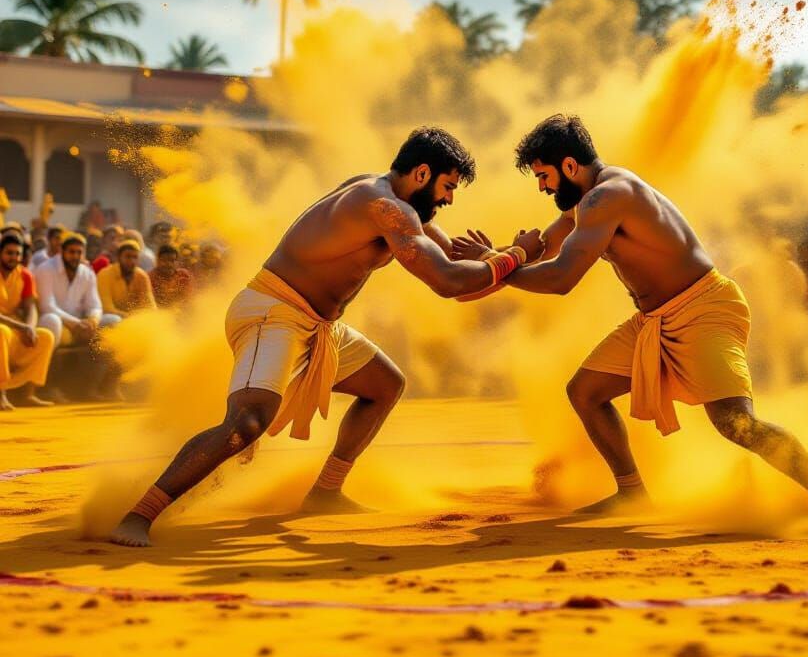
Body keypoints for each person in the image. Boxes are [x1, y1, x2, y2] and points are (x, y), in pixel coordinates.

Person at [110, 127, 523, 548]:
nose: (449, 199)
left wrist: (498, 261)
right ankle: (137, 515)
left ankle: (325, 493)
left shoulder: (391, 201)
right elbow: (447, 281)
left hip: (315, 325)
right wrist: (516, 258)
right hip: (273, 312)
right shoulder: (384, 206)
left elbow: (453, 262)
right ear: (421, 173)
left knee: (384, 385)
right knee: (246, 423)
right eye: (448, 187)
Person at [454, 114, 808, 530]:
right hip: (654, 319)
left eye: (544, 176)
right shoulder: (585, 202)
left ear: (569, 166)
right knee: (586, 391)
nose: (542, 187)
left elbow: (561, 279)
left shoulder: (607, 196)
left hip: (703, 310)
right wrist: (501, 257)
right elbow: (542, 248)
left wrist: (494, 267)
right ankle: (632, 493)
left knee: (737, 424)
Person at [0, 234, 56, 411]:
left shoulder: (25, 275)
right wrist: (21, 326)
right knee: (1, 331)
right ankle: (1, 394)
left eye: (17, 254)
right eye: (9, 253)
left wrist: (30, 327)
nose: (14, 258)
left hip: (15, 329)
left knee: (45, 336)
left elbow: (31, 306)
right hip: (6, 329)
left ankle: (28, 394)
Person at [37, 233, 118, 348]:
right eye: (71, 252)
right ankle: (51, 364)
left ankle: (100, 365)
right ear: (61, 251)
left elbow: (95, 306)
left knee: (113, 321)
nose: (75, 256)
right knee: (52, 320)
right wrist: (76, 324)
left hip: (83, 327)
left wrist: (92, 321)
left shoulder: (87, 273)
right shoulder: (45, 269)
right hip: (60, 325)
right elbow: (47, 306)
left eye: (79, 252)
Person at [96, 239, 158, 320]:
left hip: (134, 320)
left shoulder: (142, 276)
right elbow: (107, 309)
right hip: (111, 319)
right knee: (112, 319)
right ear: (118, 257)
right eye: (128, 256)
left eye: (135, 257)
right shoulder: (105, 274)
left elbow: (150, 306)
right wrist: (130, 317)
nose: (132, 261)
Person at [149, 244, 193, 308]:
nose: (169, 264)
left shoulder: (184, 275)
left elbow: (188, 300)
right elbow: (150, 303)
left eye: (172, 260)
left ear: (177, 261)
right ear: (157, 260)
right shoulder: (150, 278)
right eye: (164, 260)